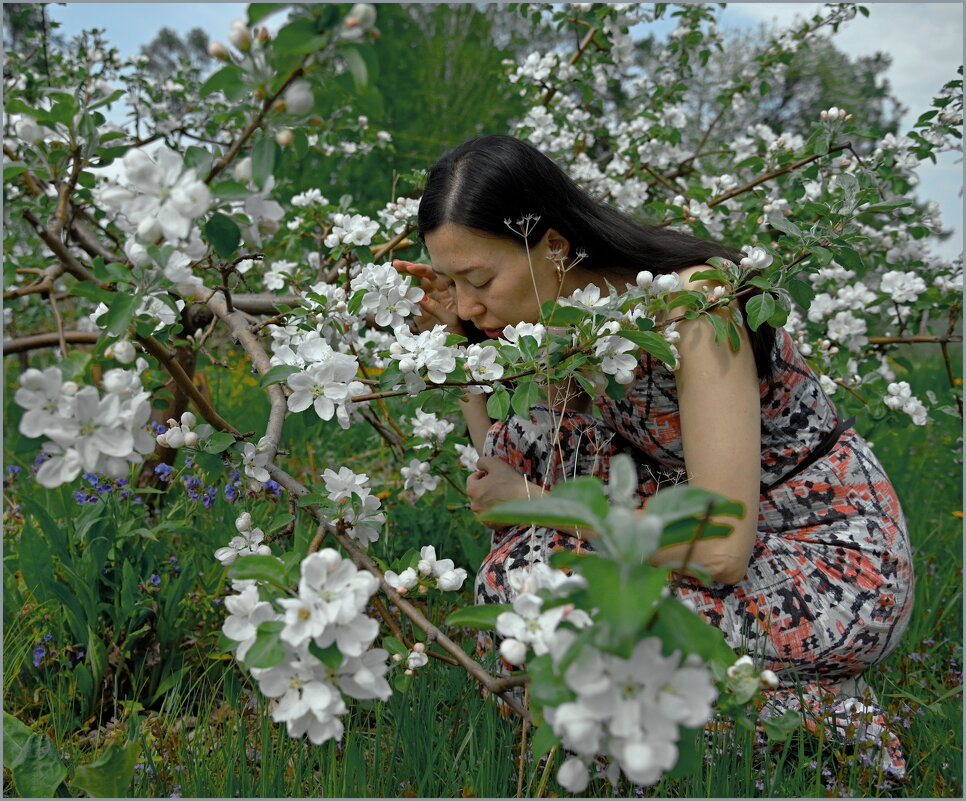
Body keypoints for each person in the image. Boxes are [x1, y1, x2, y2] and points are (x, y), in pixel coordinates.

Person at [394, 134, 914, 776]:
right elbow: (506, 468)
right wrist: (457, 349)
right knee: (525, 601)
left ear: (553, 246)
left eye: (479, 280)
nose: (470, 304)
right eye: (451, 283)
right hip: (688, 529)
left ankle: (817, 727)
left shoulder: (695, 308)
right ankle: (726, 714)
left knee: (540, 601)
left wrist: (537, 504)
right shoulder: (559, 326)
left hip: (821, 560)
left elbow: (722, 548)